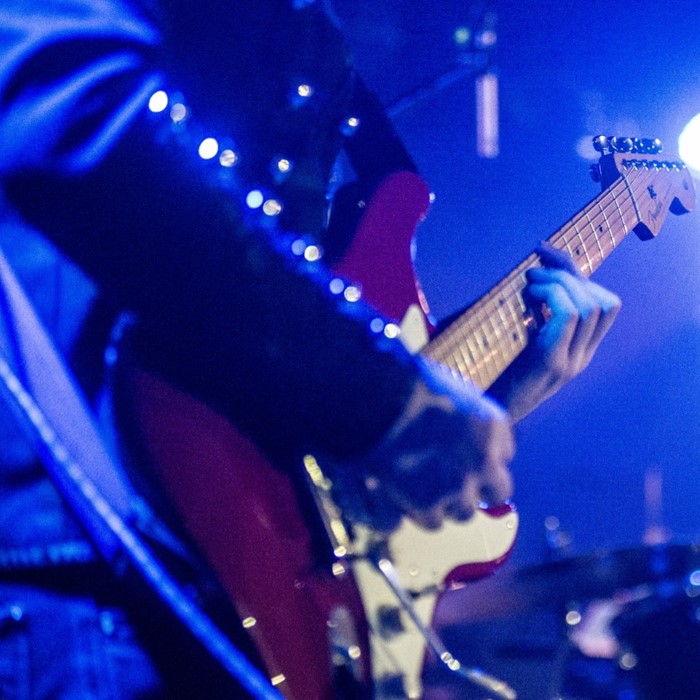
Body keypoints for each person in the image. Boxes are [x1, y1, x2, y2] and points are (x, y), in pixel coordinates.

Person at [0, 0, 620, 697]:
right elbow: (65, 113)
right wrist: (383, 399)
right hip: (78, 562)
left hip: (195, 563)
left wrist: (481, 401)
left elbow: (250, 343)